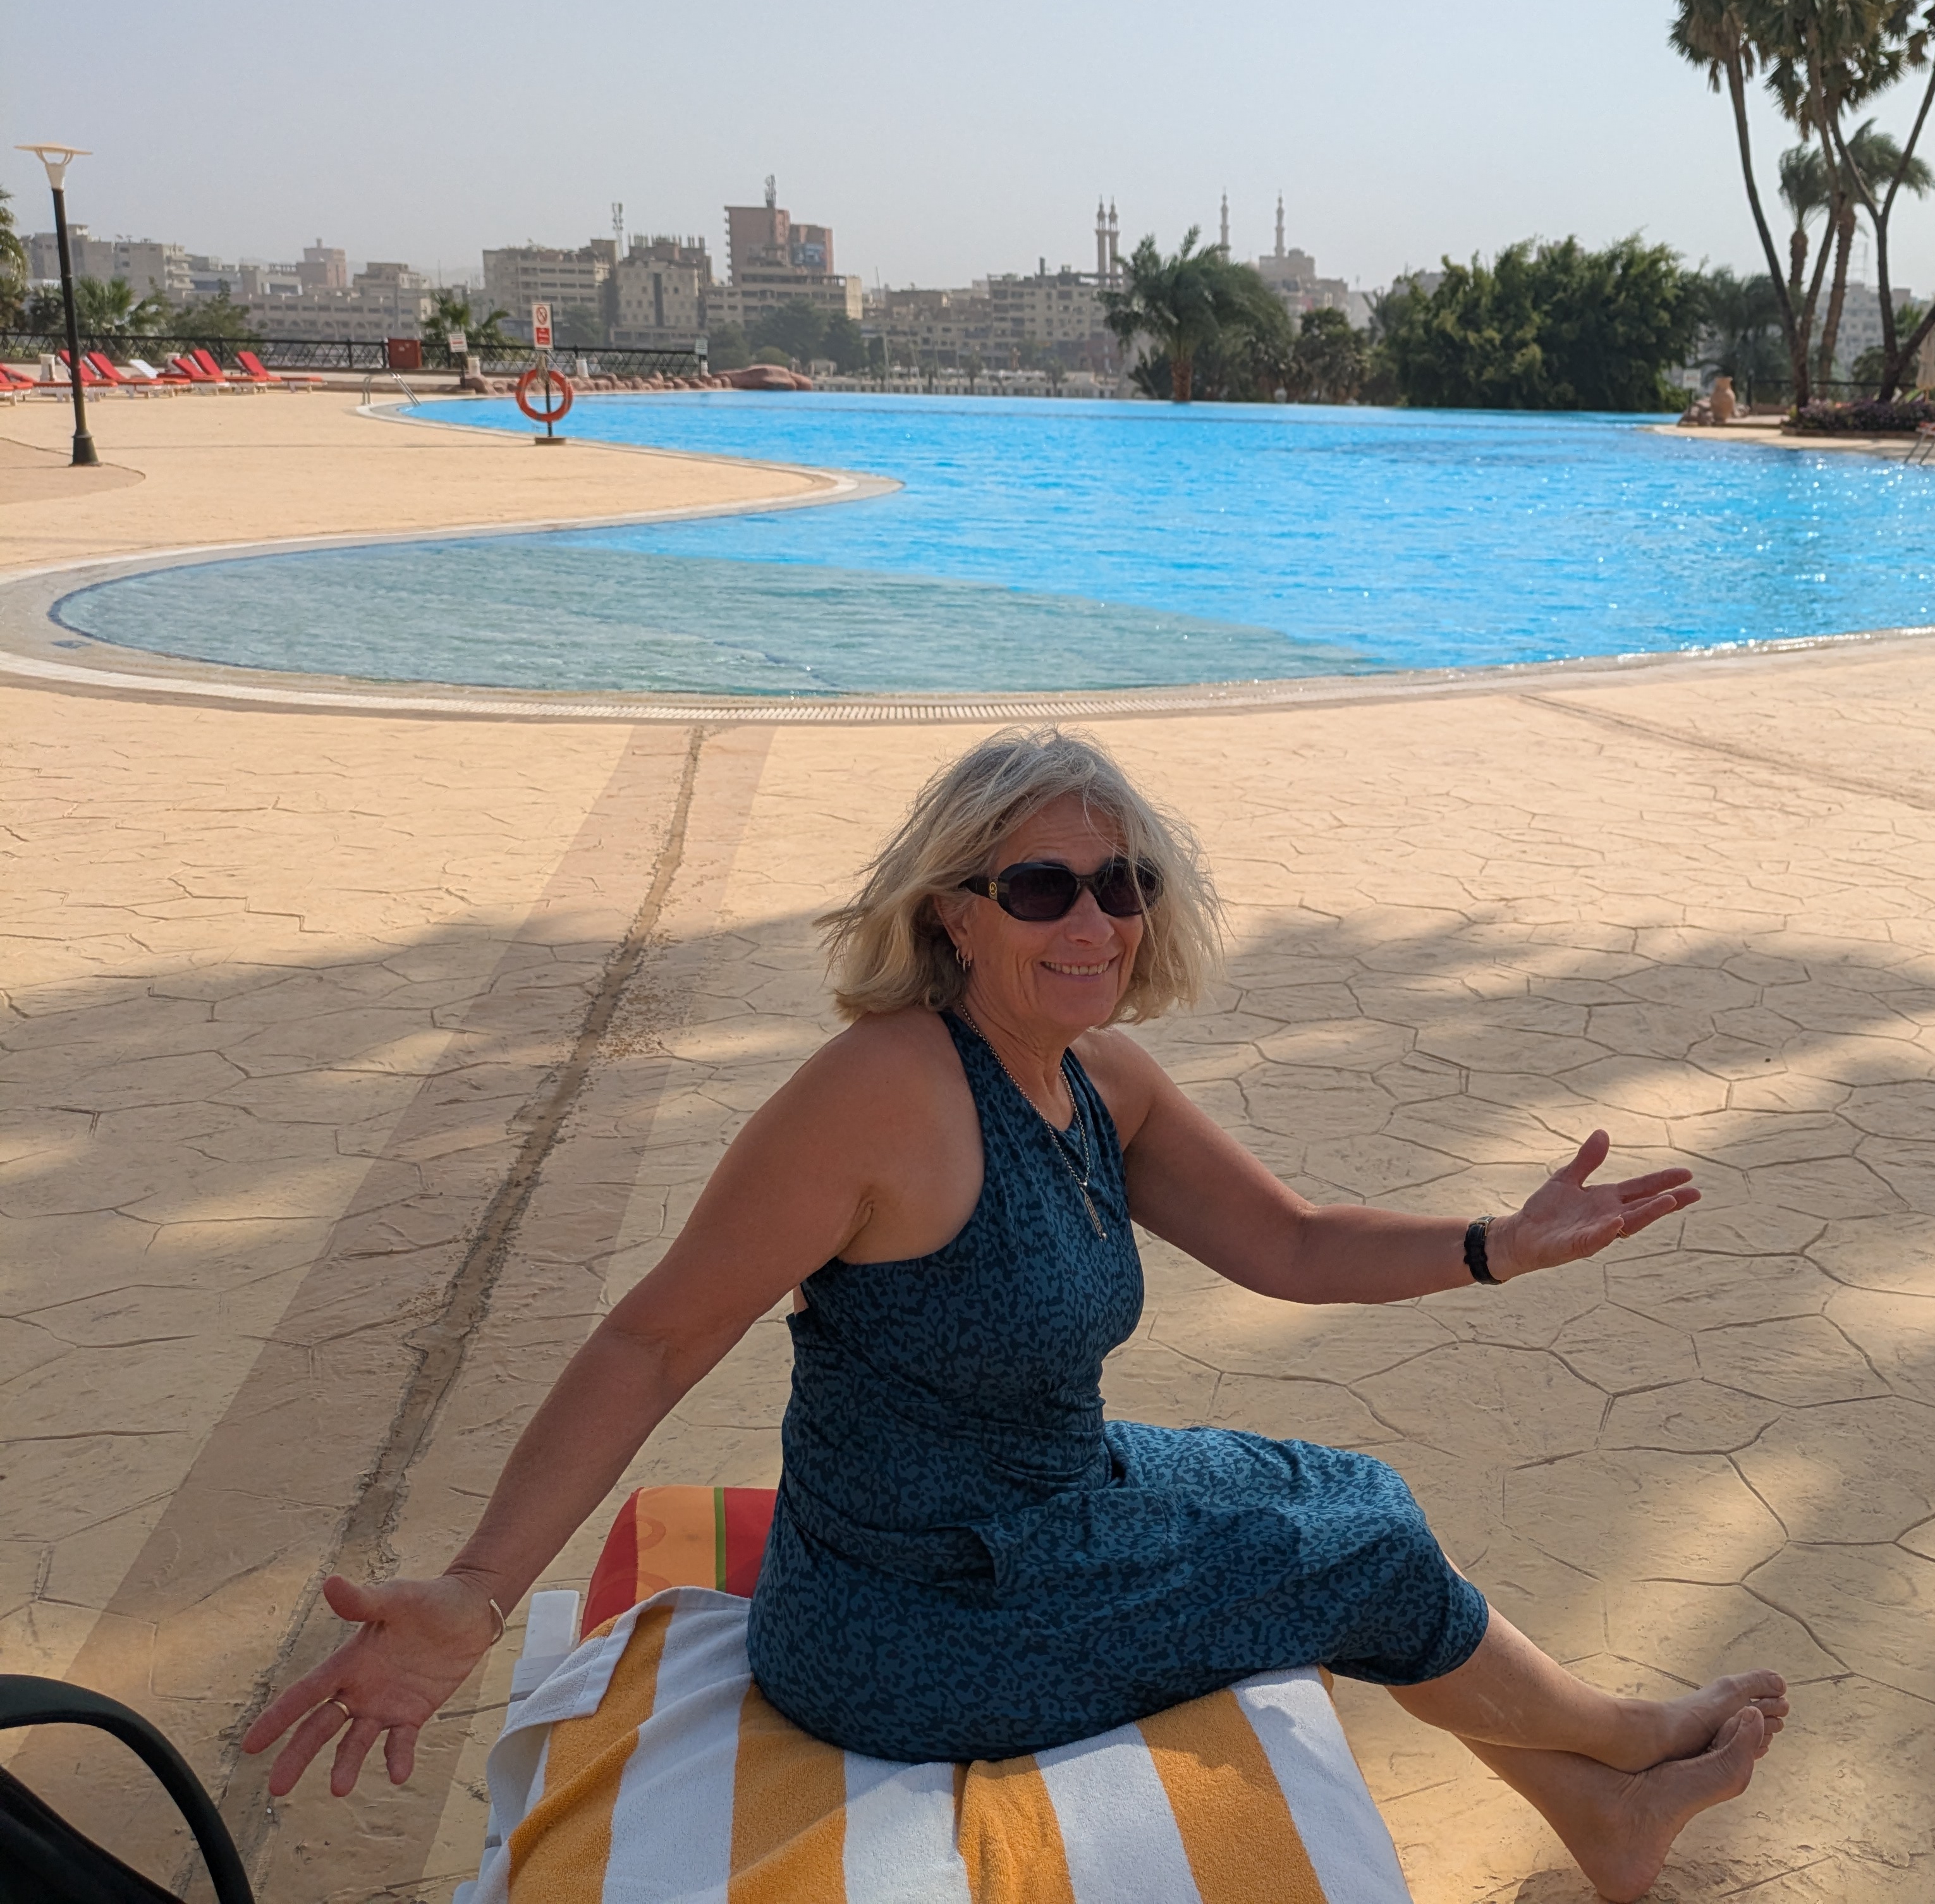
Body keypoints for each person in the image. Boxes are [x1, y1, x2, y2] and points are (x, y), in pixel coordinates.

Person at [244, 728, 1783, 1901]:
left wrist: (1495, 1245)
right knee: (1365, 1543)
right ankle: (1618, 1741)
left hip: (1053, 1508)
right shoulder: (879, 1094)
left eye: (1121, 883)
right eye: (1042, 885)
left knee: (1347, 1491)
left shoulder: (1098, 1077)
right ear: (954, 914)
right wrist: (476, 1590)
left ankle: (1595, 1810)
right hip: (913, 1621)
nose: (1092, 919)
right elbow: (652, 1341)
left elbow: (1292, 1242)